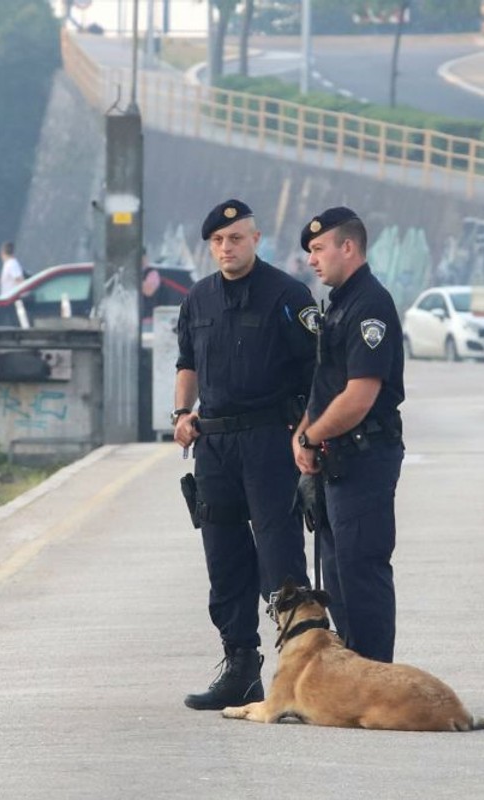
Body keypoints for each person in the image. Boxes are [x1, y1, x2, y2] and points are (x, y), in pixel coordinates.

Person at [173, 199, 321, 710]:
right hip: (214, 445)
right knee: (225, 559)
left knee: (279, 559)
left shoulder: (288, 294)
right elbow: (187, 362)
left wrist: (305, 431)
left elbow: (315, 372)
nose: (225, 248)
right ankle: (240, 666)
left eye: (235, 238)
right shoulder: (199, 299)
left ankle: (303, 672)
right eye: (217, 241)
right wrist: (181, 414)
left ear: (256, 240)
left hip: (268, 442)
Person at [291, 207, 405, 664]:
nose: (312, 261)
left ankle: (374, 674)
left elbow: (360, 395)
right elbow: (328, 383)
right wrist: (305, 431)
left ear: (348, 247)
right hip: (338, 459)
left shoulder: (369, 306)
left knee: (361, 570)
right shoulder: (340, 303)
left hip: (365, 457)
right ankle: (355, 674)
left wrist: (310, 437)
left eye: (318, 249)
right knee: (338, 574)